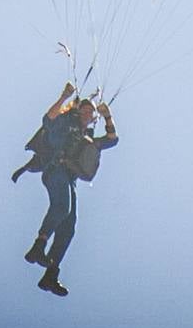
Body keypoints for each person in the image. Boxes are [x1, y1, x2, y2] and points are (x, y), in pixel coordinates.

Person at [11, 83, 118, 296]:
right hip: (55, 170)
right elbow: (48, 120)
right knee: (61, 208)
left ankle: (50, 275)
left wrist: (107, 116)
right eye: (85, 110)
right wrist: (63, 97)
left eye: (91, 112)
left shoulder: (87, 139)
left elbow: (112, 140)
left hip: (69, 179)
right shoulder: (65, 125)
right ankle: (38, 247)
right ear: (78, 112)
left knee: (69, 228)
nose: (89, 113)